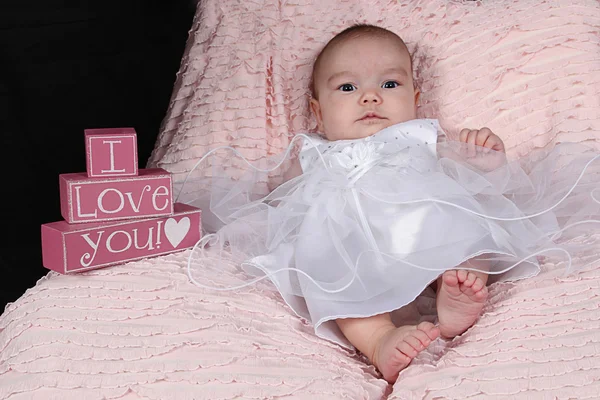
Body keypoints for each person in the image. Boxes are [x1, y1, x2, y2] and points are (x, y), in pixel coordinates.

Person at [183, 24, 600, 384]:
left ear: (416, 99)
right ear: (318, 112)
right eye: (348, 87)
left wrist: (486, 161)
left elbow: (479, 186)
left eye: (389, 84)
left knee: (470, 226)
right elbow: (286, 202)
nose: (370, 98)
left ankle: (455, 291)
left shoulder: (419, 138)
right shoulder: (314, 151)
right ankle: (379, 339)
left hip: (424, 225)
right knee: (326, 270)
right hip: (349, 239)